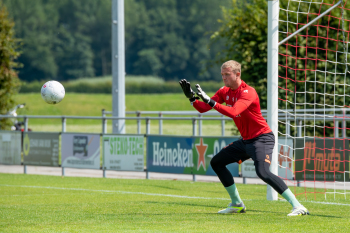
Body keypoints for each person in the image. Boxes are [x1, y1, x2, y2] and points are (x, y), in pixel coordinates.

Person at [179, 60, 309, 217]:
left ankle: (298, 206)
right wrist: (192, 99)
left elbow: (234, 112)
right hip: (246, 140)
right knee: (216, 162)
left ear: (237, 74)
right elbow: (204, 108)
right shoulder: (224, 91)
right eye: (222, 75)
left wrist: (209, 101)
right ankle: (237, 204)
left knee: (263, 172)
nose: (224, 78)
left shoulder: (248, 92)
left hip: (262, 138)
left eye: (227, 74)